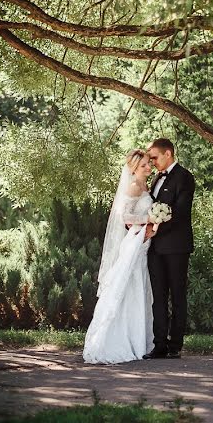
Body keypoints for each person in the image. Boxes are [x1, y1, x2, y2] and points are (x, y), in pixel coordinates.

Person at [82, 149, 156, 364]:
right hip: (134, 241)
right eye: (143, 165)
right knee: (128, 285)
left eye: (148, 164)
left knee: (140, 287)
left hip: (143, 242)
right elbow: (125, 216)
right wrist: (148, 218)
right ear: (133, 168)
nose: (148, 168)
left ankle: (139, 340)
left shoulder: (145, 185)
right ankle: (118, 341)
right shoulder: (133, 186)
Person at [143, 138, 195, 359]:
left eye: (154, 157)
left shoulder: (185, 177)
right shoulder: (156, 178)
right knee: (158, 297)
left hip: (176, 247)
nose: (152, 161)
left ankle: (175, 346)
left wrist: (155, 230)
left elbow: (180, 213)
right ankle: (159, 345)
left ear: (168, 153)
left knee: (178, 295)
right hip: (155, 249)